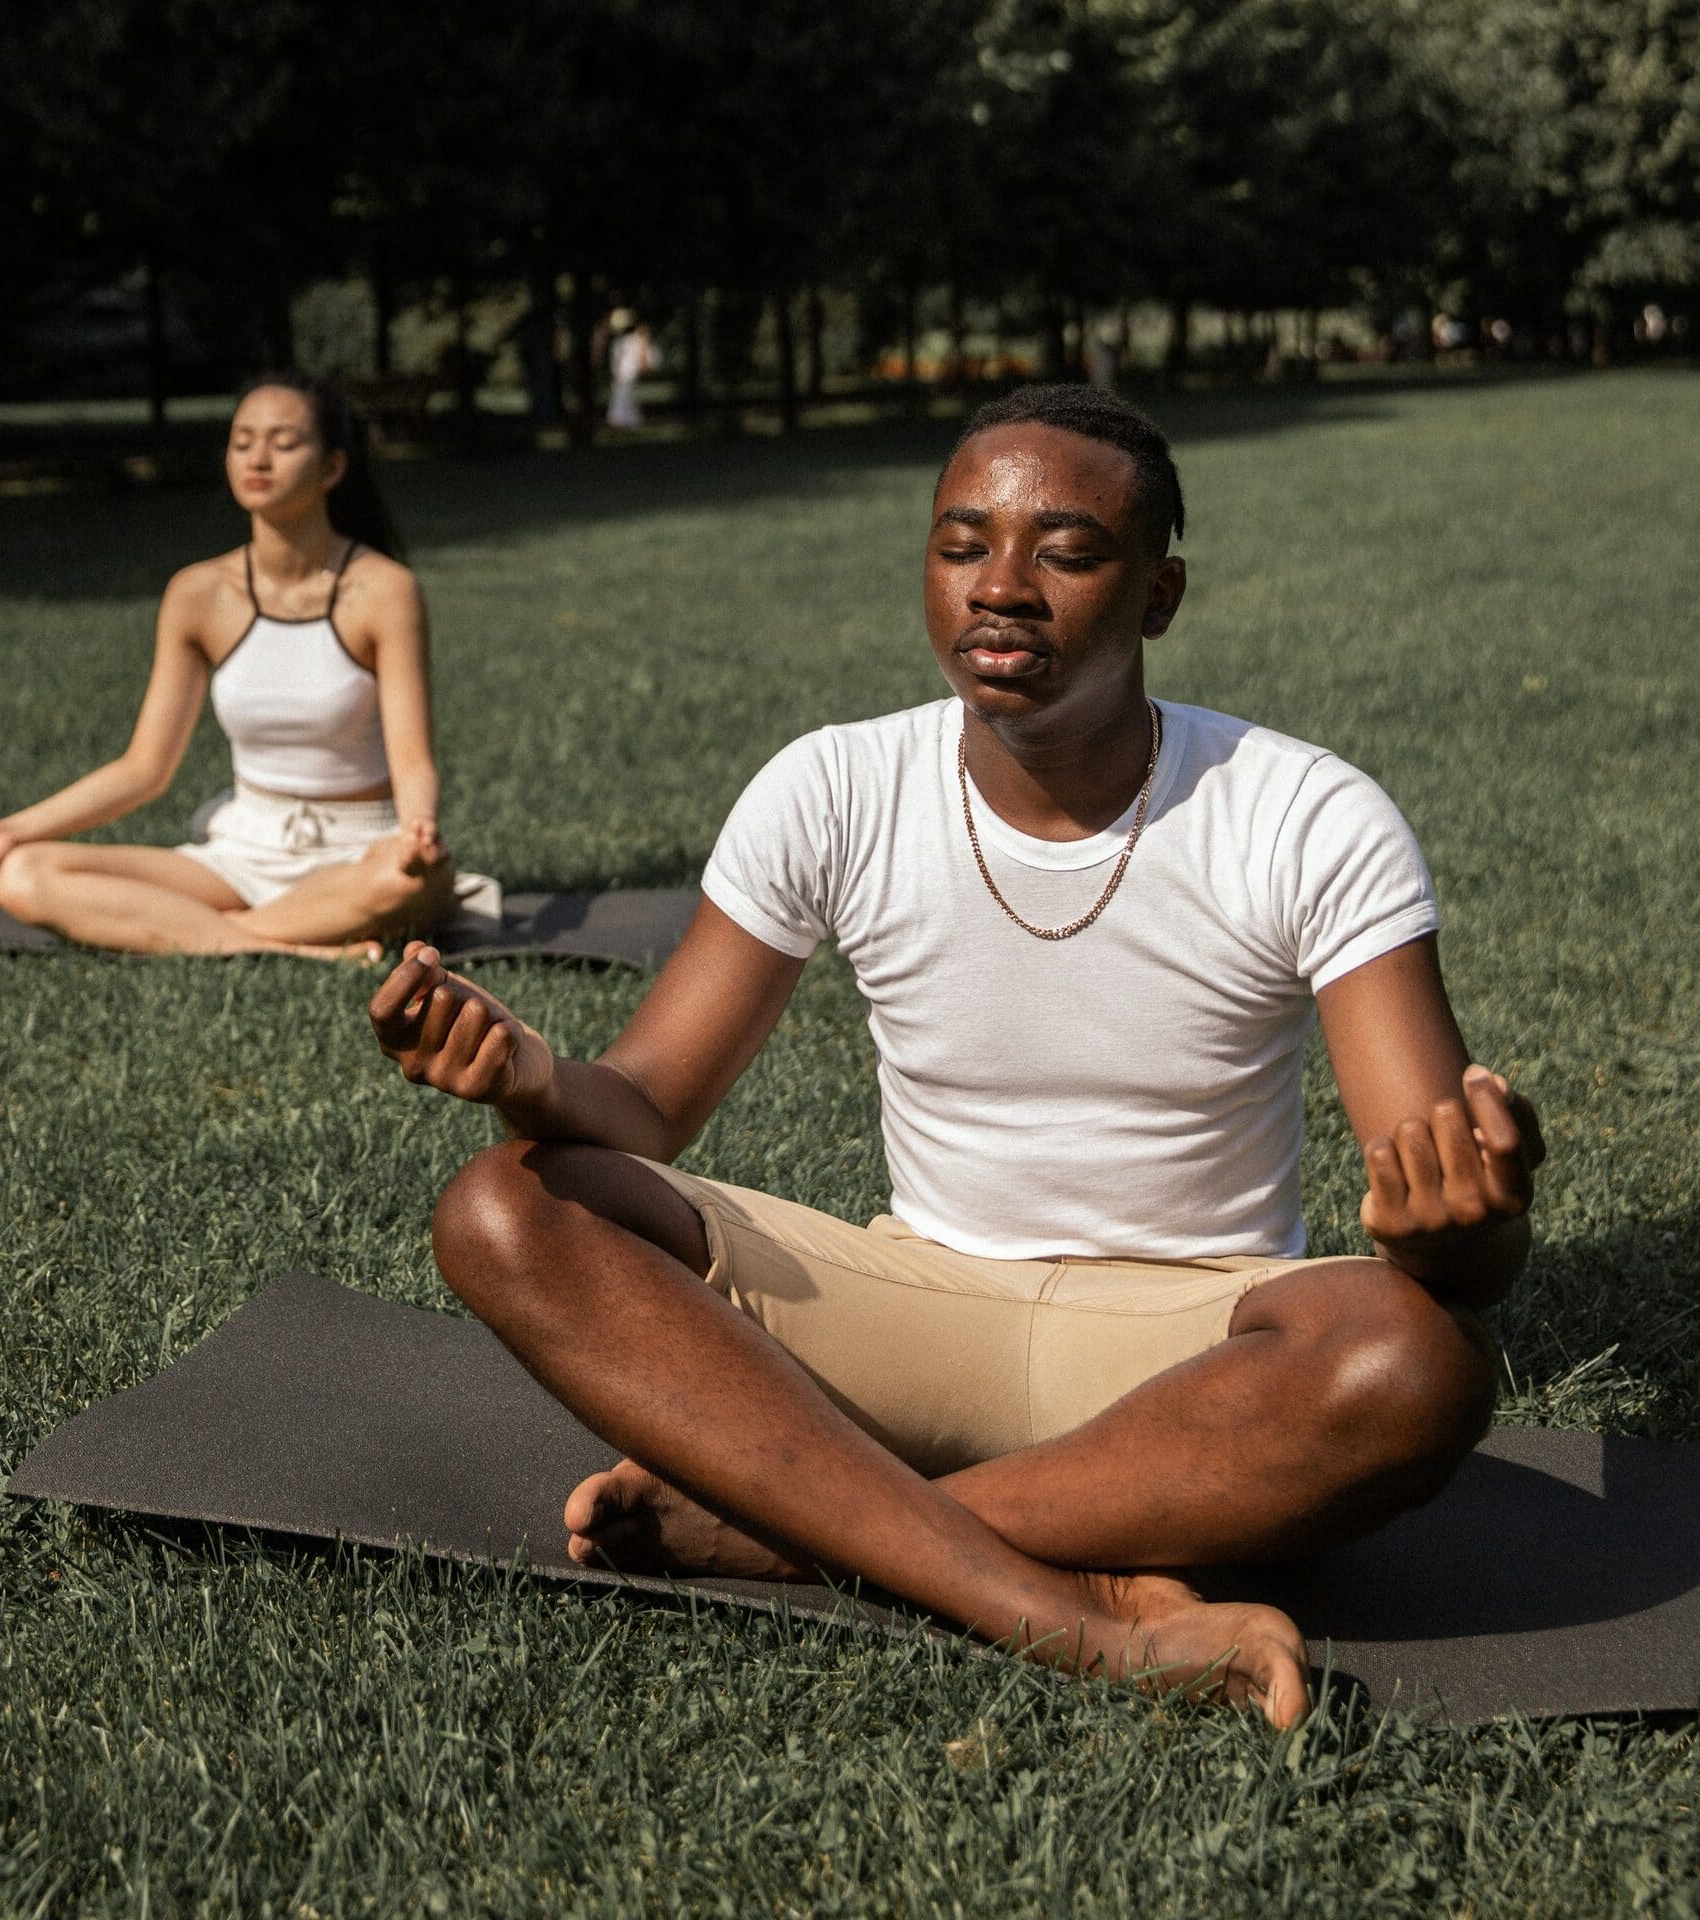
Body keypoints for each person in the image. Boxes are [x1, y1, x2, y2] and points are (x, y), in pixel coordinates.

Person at [368, 385, 1545, 1729]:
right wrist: (532, 1080)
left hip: (1188, 1349)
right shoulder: (835, 787)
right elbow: (641, 1106)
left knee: (1411, 1362)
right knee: (506, 1204)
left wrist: (1468, 1228)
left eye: (1067, 551)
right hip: (908, 1306)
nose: (1002, 587)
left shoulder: (1305, 814)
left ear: (1159, 595)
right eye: (961, 542)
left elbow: (1454, 1237)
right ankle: (1066, 1614)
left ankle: (789, 1533)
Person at [0, 370, 463, 959]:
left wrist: (416, 832)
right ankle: (295, 943)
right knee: (24, 874)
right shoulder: (198, 593)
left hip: (359, 852)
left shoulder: (385, 590)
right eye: (242, 441)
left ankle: (209, 933)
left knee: (407, 882)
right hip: (240, 852)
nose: (259, 457)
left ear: (333, 467)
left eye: (284, 444)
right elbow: (143, 769)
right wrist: (10, 830)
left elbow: (412, 757)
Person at [604, 311, 657, 430]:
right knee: (624, 397)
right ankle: (627, 421)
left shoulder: (629, 340)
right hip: (624, 374)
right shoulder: (623, 341)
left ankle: (623, 421)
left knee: (623, 397)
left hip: (626, 374)